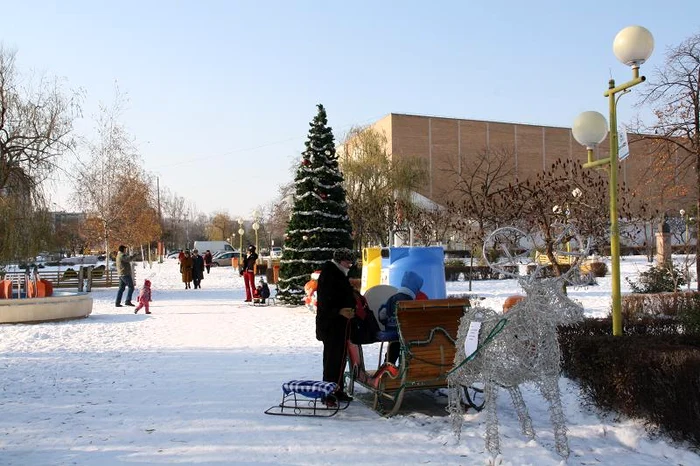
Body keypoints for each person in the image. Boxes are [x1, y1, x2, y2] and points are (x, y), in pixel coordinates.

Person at [315, 249, 356, 403]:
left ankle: (337, 390)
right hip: (331, 325)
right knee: (332, 360)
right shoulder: (330, 275)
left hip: (339, 324)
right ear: (340, 261)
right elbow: (325, 303)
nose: (350, 265)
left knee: (339, 359)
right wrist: (340, 311)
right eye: (347, 262)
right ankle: (329, 393)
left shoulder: (338, 273)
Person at [378, 270, 424, 365]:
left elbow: (382, 314)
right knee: (407, 348)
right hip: (407, 334)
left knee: (393, 350)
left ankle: (388, 366)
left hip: (392, 332)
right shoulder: (412, 302)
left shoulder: (392, 298)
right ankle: (404, 366)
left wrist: (385, 322)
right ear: (415, 289)